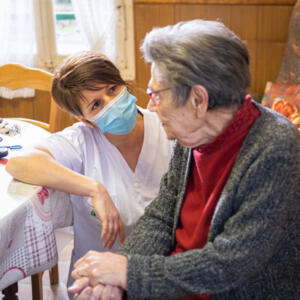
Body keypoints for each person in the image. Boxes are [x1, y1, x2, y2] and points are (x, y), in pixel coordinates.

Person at [68, 19, 300, 300]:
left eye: (156, 94)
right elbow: (163, 214)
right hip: (173, 282)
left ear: (198, 100)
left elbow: (231, 262)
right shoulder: (190, 135)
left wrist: (127, 272)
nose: (150, 104)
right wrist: (115, 277)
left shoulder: (275, 147)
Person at [5, 51, 172, 295]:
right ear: (85, 119)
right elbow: (19, 163)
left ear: (123, 84)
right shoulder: (81, 141)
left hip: (157, 274)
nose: (110, 102)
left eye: (113, 89)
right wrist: (94, 189)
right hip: (96, 282)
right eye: (96, 104)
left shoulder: (165, 127)